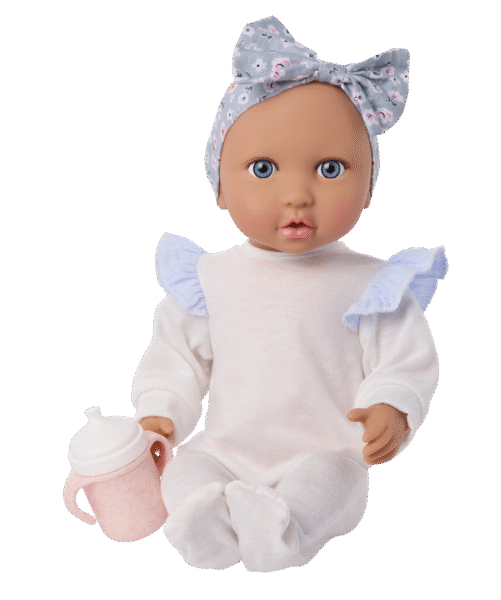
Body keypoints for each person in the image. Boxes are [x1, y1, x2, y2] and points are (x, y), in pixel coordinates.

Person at [131, 15, 448, 573]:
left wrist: (394, 404)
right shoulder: (211, 278)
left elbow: (405, 359)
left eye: (330, 168)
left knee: (335, 481)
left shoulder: (371, 282)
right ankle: (207, 521)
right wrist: (161, 412)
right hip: (225, 448)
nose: (297, 194)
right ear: (220, 187)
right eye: (263, 169)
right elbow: (176, 357)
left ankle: (285, 530)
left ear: (369, 188)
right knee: (188, 471)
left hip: (324, 448)